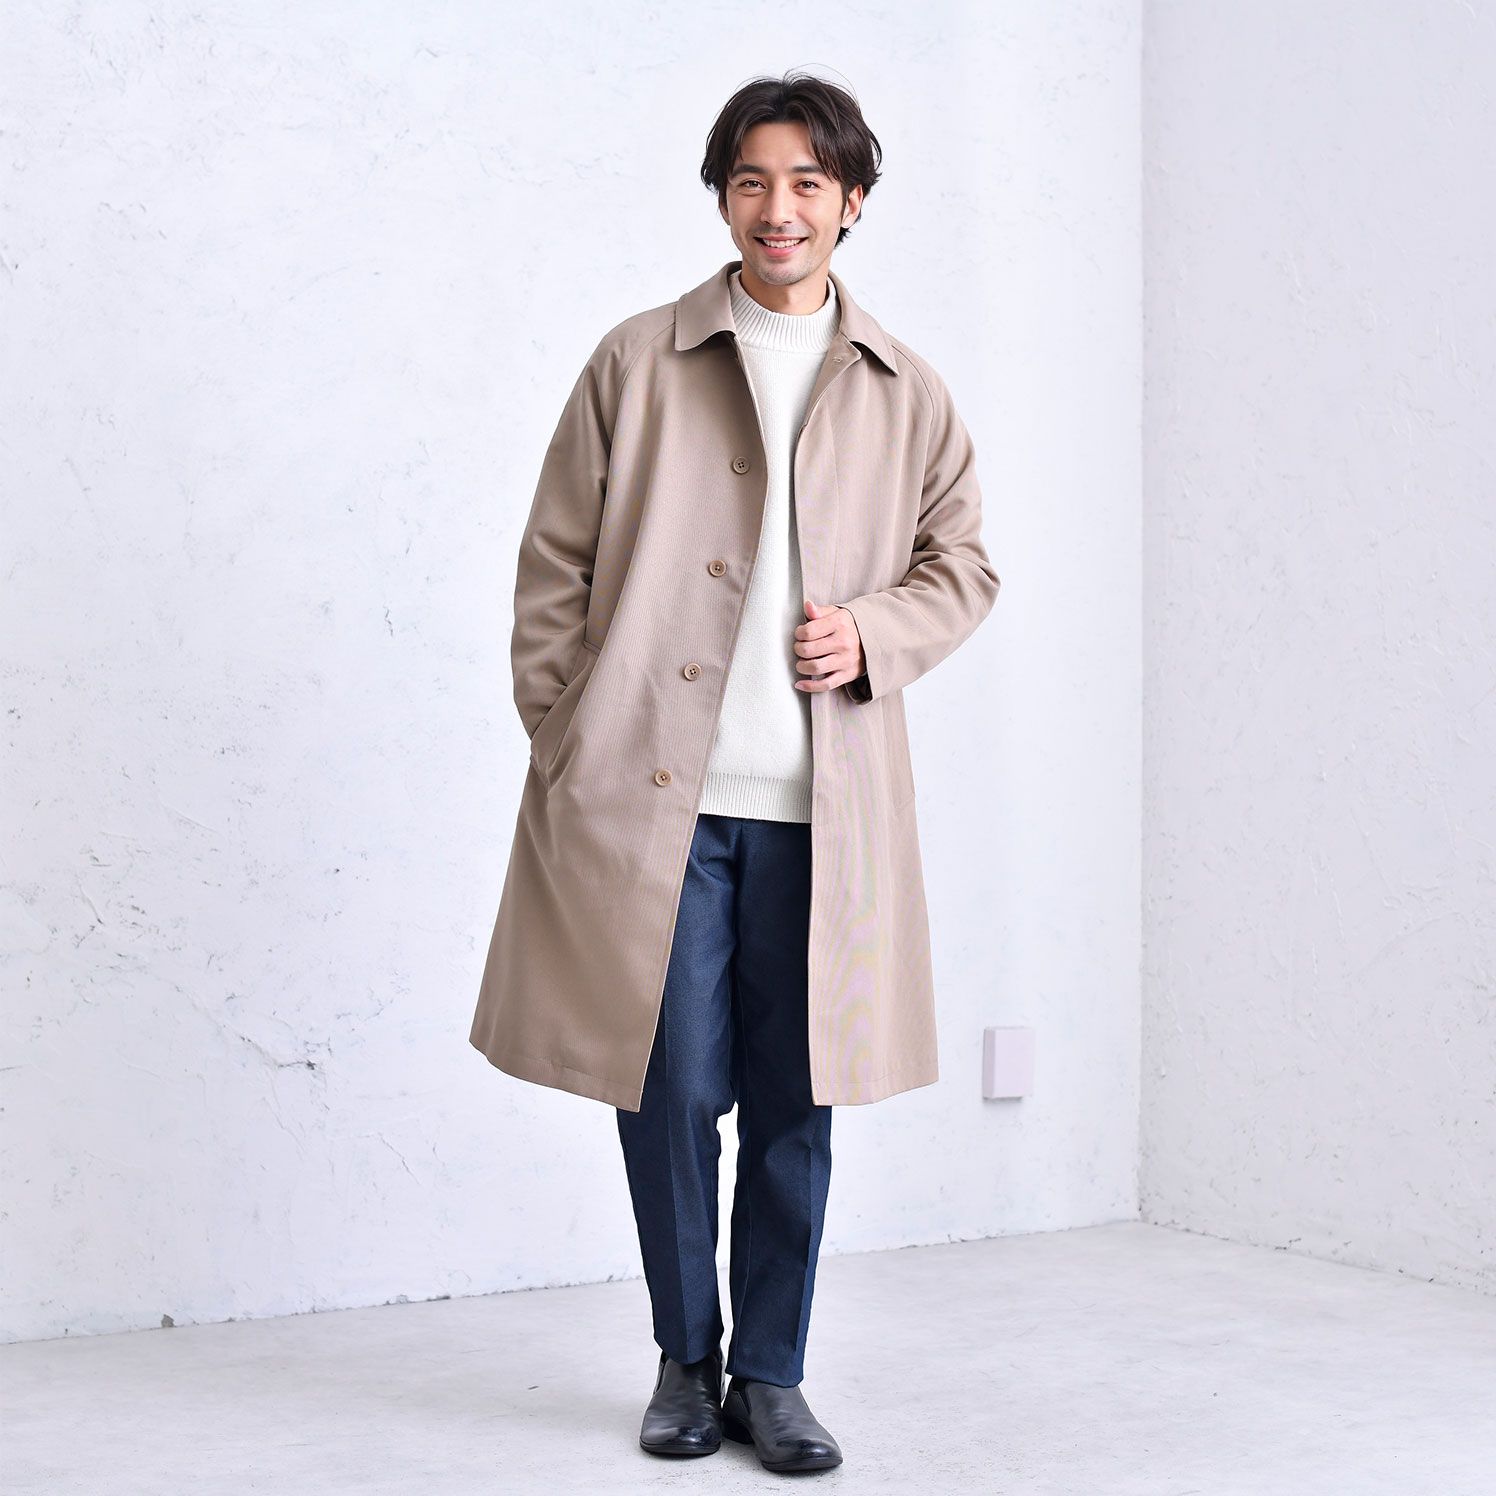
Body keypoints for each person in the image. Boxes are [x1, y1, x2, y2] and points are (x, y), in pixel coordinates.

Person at [469, 69, 1001, 1476]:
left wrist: (873, 631)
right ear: (722, 197)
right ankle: (682, 1361)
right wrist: (568, 738)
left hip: (823, 814)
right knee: (666, 1093)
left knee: (793, 1103)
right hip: (659, 809)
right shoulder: (638, 362)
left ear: (853, 202)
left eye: (808, 183)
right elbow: (552, 567)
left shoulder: (903, 387)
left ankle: (772, 1375)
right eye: (753, 180)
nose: (780, 209)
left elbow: (963, 565)